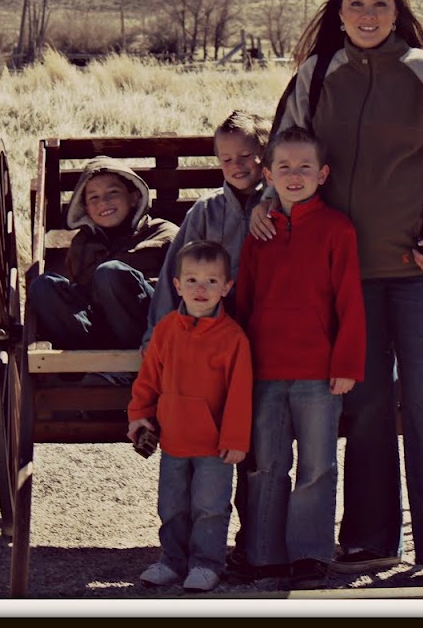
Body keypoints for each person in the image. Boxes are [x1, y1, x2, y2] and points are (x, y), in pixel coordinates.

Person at [251, 0, 423, 586]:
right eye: (355, 3)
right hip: (343, 276)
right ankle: (368, 538)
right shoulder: (315, 76)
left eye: (379, 3)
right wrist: (268, 204)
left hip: (421, 270)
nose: (367, 14)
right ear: (338, 13)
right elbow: (286, 156)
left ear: (396, 10)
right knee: (364, 405)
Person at [139, 109, 270, 580]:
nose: (237, 166)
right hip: (206, 349)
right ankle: (177, 557)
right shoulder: (206, 212)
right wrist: (158, 338)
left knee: (258, 452)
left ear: (264, 155)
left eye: (246, 156)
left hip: (262, 343)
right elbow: (173, 277)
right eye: (226, 158)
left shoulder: (281, 202)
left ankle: (251, 547)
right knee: (181, 484)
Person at [235, 125, 366, 591]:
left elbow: (350, 301)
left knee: (317, 465)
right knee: (266, 465)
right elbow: (244, 301)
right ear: (268, 175)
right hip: (265, 371)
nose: (295, 176)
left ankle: (309, 554)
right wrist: (241, 366)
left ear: (322, 174)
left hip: (318, 373)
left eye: (305, 167)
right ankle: (264, 555)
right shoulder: (260, 233)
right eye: (285, 168)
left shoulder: (336, 229)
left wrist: (346, 365)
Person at [127, 240, 253, 593]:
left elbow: (240, 393)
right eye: (192, 280)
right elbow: (148, 378)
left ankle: (206, 564)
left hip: (214, 446)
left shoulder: (233, 338)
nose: (201, 289)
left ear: (226, 287)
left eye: (212, 281)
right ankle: (172, 561)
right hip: (173, 439)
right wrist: (139, 415)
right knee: (172, 505)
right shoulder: (166, 330)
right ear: (177, 285)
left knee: (210, 507)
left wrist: (235, 439)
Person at [27, 157, 178, 361]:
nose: (103, 202)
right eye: (94, 198)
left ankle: (132, 361)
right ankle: (92, 362)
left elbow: (182, 287)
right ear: (87, 210)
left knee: (109, 273)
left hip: (148, 328)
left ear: (134, 197)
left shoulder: (164, 233)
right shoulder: (82, 244)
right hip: (99, 332)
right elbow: (79, 292)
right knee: (43, 286)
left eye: (113, 192)